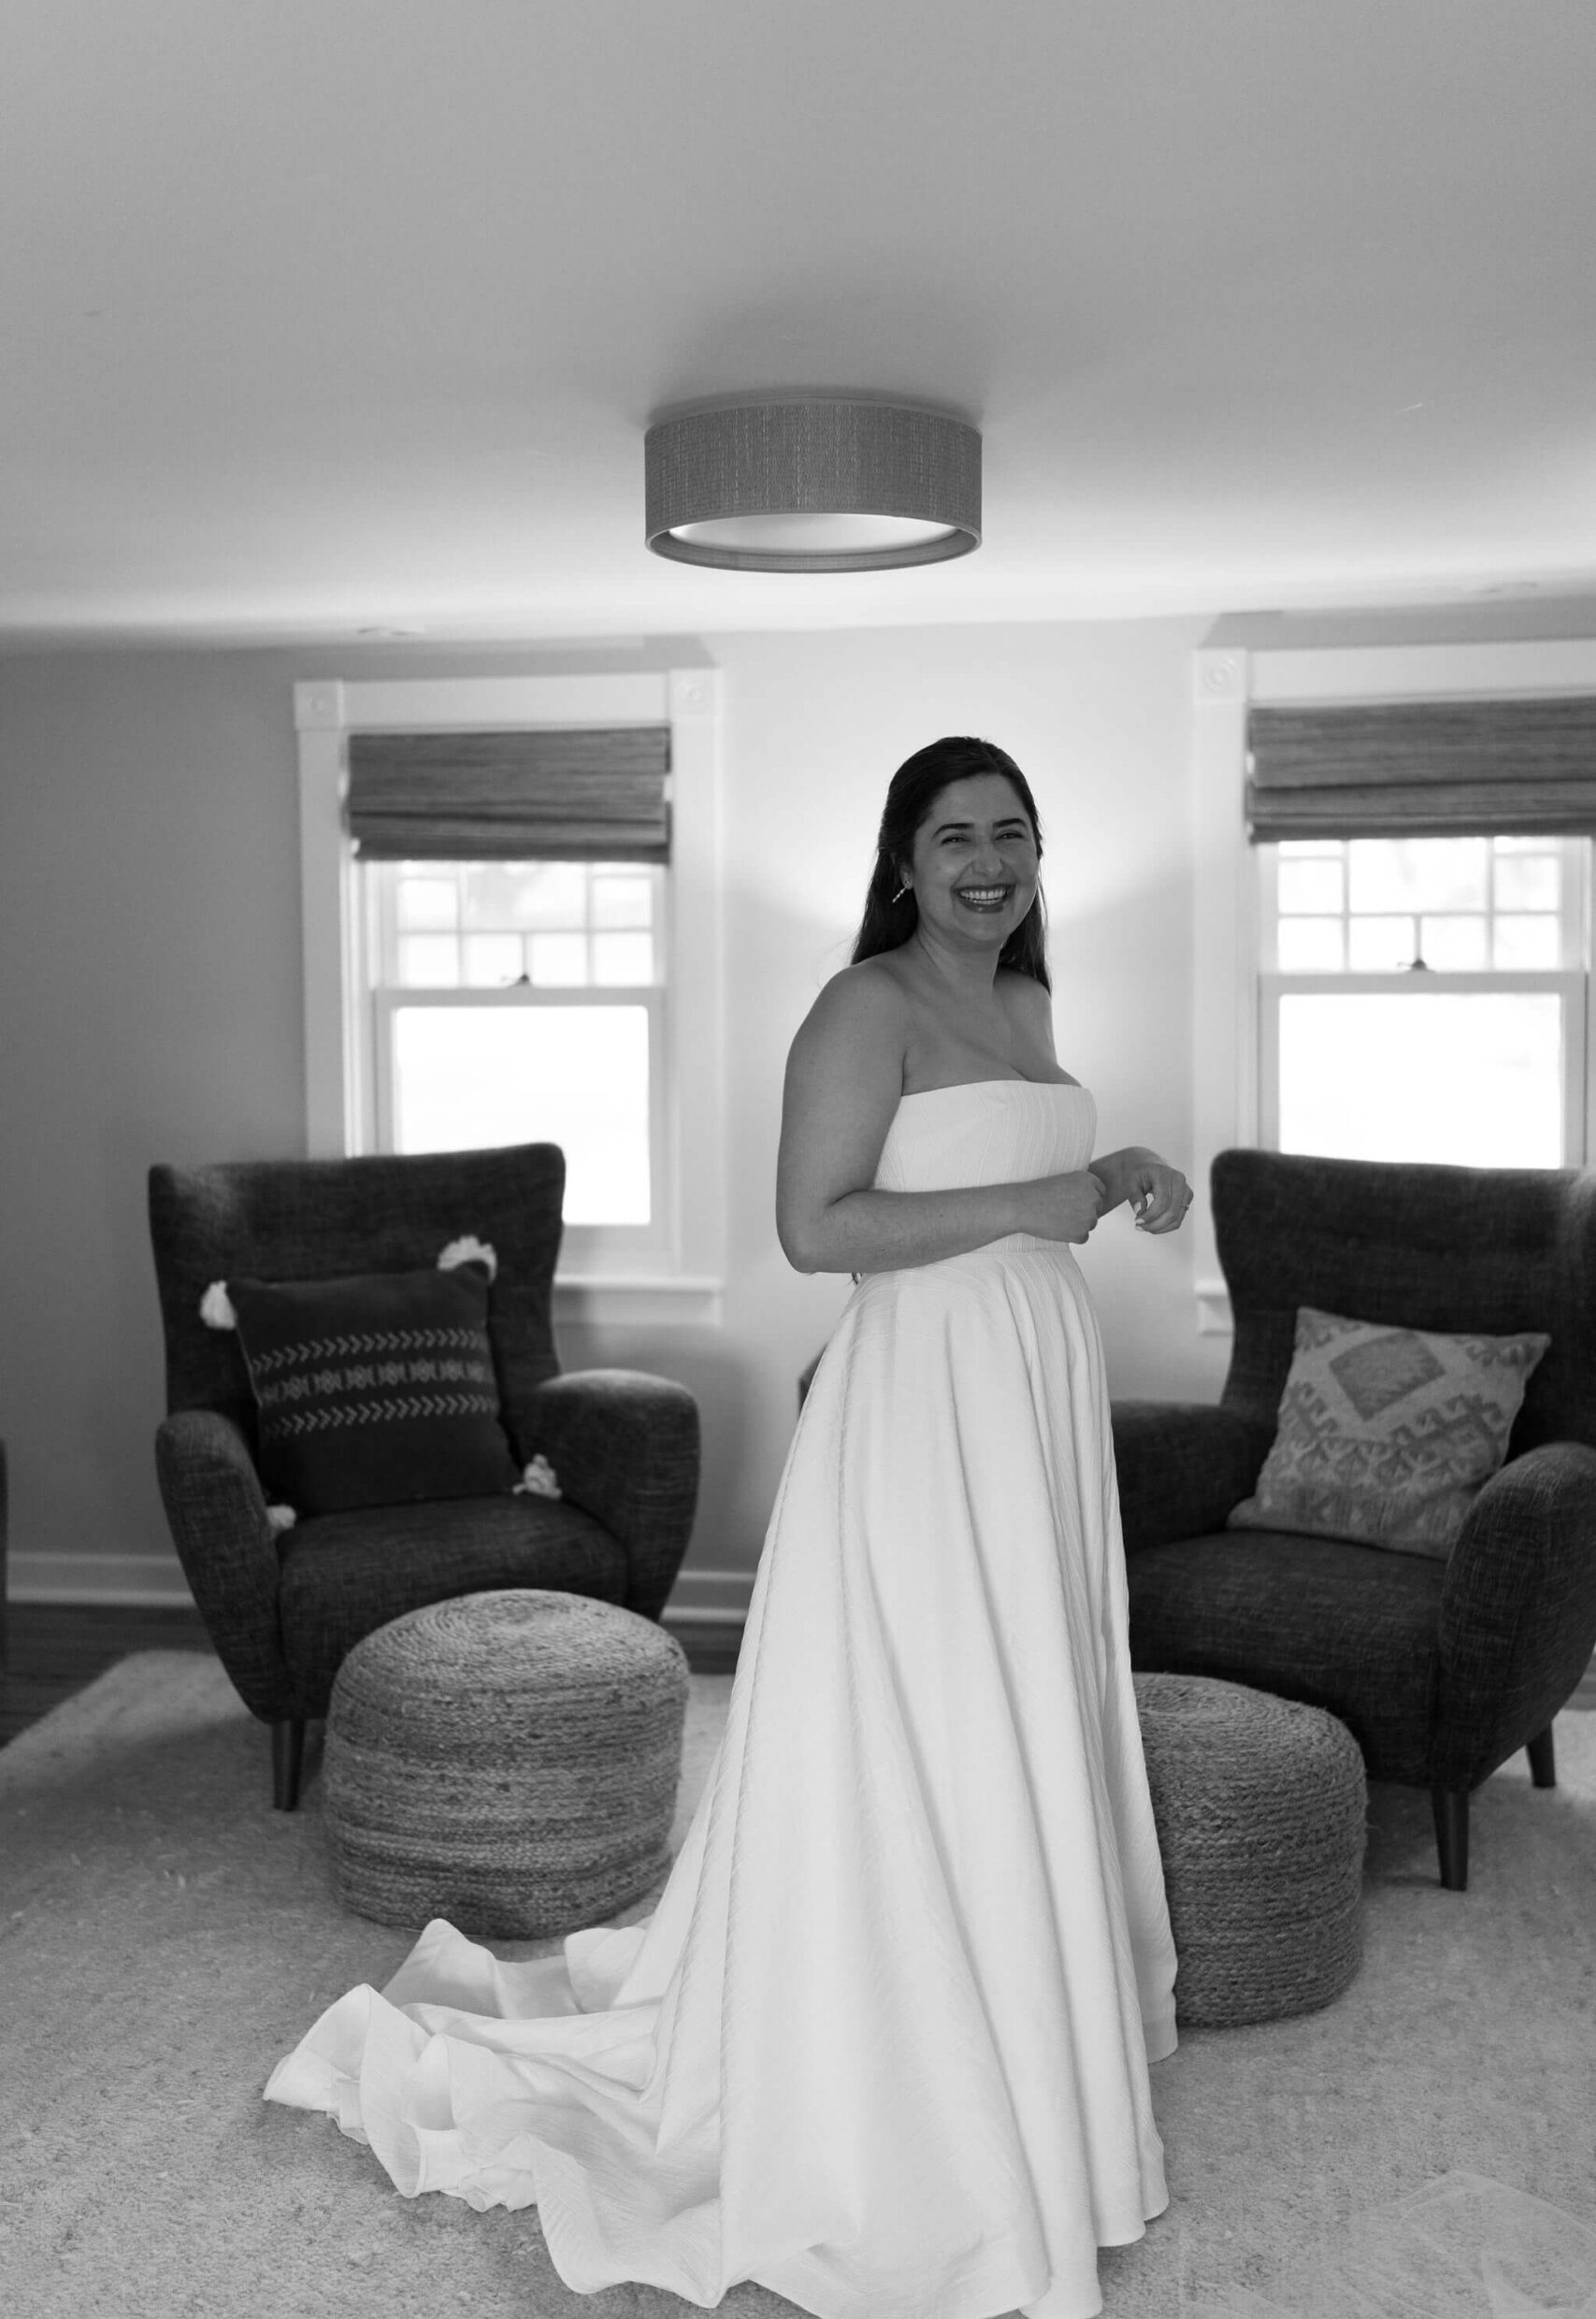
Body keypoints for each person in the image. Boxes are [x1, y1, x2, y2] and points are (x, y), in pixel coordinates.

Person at [265, 736, 1189, 2319]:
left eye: (1014, 834)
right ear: (902, 860)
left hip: (1029, 1395)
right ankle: (909, 2083)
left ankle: (1031, 2027)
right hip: (922, 1415)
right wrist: (1041, 1200)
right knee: (923, 1716)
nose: (988, 861)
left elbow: (1030, 1172)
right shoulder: (865, 1007)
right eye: (955, 835)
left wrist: (1115, 1178)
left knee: (1020, 1705)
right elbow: (816, 1227)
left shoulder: (1029, 1009)